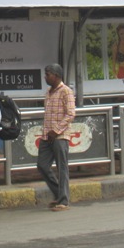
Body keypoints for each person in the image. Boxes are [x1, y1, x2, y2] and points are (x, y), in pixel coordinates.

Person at [37, 64, 75, 211]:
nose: (45, 77)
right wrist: (48, 132)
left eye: (48, 74)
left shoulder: (66, 91)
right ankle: (59, 193)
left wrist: (57, 130)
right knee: (42, 165)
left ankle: (63, 201)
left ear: (56, 76)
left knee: (62, 168)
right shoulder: (48, 92)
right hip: (47, 135)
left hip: (60, 135)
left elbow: (70, 114)